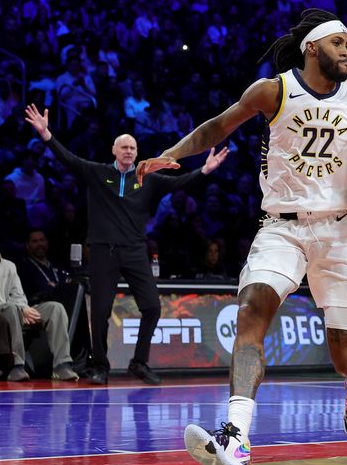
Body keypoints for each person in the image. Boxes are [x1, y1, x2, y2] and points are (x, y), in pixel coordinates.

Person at [136, 9, 347, 465]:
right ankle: (237, 436)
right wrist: (171, 153)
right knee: (252, 309)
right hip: (282, 226)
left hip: (341, 232)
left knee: (344, 354)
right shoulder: (273, 90)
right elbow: (217, 127)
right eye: (338, 43)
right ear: (312, 47)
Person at [23, 104, 229, 386]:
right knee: (100, 313)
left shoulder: (149, 179)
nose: (129, 151)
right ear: (114, 151)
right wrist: (47, 134)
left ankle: (139, 362)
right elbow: (68, 159)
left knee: (152, 307)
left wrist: (204, 171)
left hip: (134, 251)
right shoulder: (97, 173)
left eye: (132, 148)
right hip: (102, 251)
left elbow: (179, 182)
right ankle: (100, 367)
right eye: (124, 147)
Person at [0, 251, 79, 381]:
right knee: (11, 309)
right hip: (4, 313)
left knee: (55, 308)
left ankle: (62, 365)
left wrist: (23, 308)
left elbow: (18, 295)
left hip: (16, 310)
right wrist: (18, 309)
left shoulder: (9, 266)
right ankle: (16, 366)